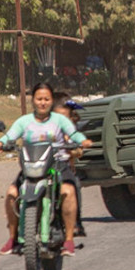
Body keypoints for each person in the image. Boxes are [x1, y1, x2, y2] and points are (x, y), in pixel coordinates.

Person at [0, 83, 92, 257]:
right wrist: (1, 143)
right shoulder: (24, 121)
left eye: (46, 99)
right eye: (39, 99)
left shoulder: (60, 120)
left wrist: (82, 141)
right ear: (33, 101)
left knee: (68, 190)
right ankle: (13, 238)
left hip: (57, 166)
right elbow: (11, 135)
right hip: (32, 166)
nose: (42, 103)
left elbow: (74, 134)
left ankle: (68, 240)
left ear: (52, 101)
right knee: (12, 193)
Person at [53, 92, 88, 238]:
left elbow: (79, 150)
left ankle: (76, 222)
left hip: (63, 168)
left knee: (75, 186)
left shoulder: (71, 130)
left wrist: (72, 151)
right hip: (42, 167)